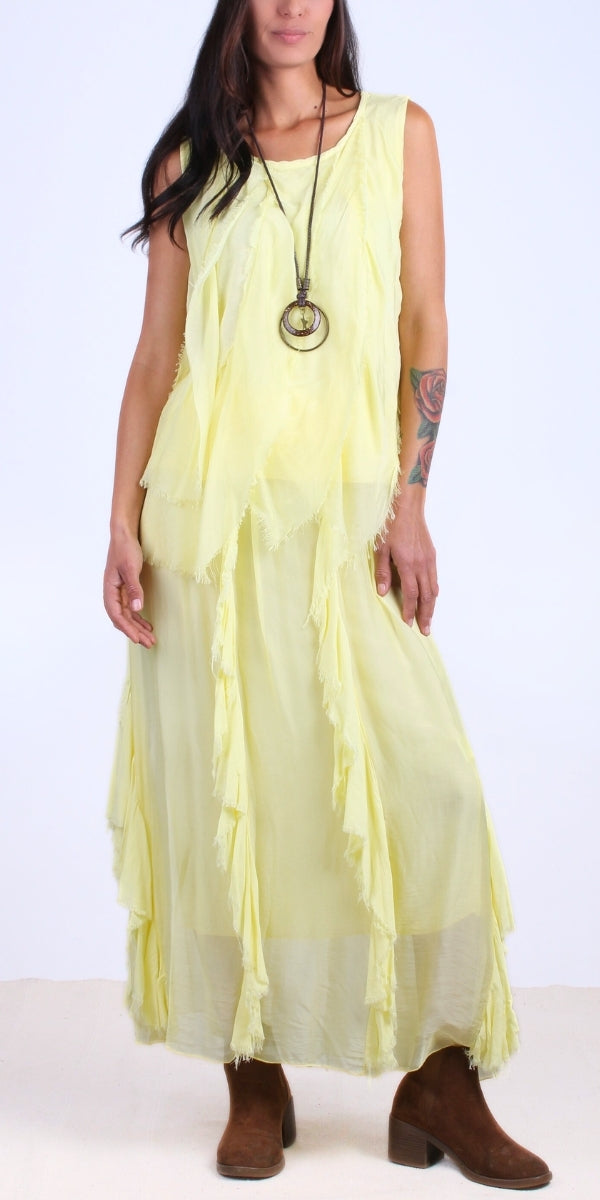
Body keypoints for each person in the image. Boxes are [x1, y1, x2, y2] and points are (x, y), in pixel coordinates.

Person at [104, 0, 551, 1188]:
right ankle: (253, 1076)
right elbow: (156, 357)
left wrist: (411, 499)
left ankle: (442, 1081)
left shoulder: (401, 132)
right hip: (210, 526)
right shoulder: (191, 159)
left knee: (431, 783)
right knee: (236, 790)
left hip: (351, 519)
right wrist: (120, 521)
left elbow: (425, 321)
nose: (293, 6)